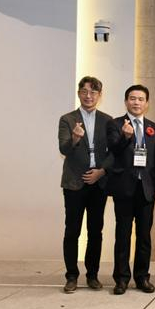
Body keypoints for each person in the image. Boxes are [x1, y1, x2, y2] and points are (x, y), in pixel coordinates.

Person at [106, 84, 155, 295]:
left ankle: (142, 277)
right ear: (126, 102)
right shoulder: (115, 124)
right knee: (122, 235)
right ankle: (121, 279)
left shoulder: (154, 128)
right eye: (132, 98)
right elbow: (113, 151)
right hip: (124, 188)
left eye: (141, 99)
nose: (136, 102)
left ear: (146, 103)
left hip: (147, 189)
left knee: (144, 236)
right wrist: (125, 137)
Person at [58, 76, 113, 293]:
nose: (88, 96)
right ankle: (71, 276)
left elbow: (114, 153)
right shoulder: (67, 119)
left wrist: (101, 172)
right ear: (79, 93)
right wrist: (74, 138)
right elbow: (64, 149)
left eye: (93, 92)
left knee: (95, 232)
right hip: (74, 182)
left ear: (99, 95)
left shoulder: (108, 120)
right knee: (72, 231)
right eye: (84, 92)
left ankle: (92, 275)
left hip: (98, 183)